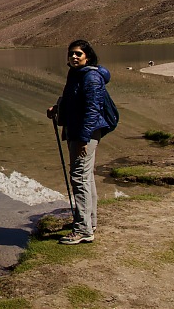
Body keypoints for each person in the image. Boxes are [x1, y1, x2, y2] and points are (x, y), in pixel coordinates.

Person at [47, 39, 111, 245]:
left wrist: (84, 138)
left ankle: (83, 229)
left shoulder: (91, 77)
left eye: (78, 54)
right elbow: (72, 99)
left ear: (88, 56)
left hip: (85, 134)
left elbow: (93, 109)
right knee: (86, 176)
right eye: (71, 53)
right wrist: (57, 108)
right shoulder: (76, 74)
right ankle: (89, 222)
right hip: (76, 130)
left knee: (79, 177)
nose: (74, 57)